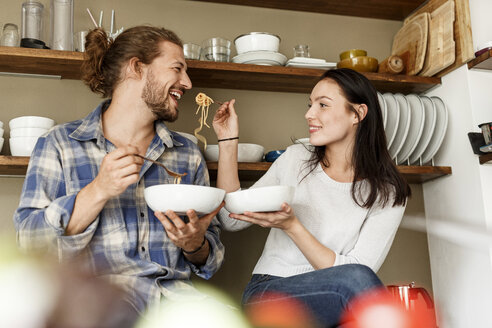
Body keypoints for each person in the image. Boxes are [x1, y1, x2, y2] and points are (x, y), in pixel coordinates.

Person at [13, 26, 226, 315]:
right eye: (177, 68)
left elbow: (209, 259)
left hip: (174, 308)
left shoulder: (186, 154)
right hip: (96, 307)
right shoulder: (60, 144)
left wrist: (194, 244)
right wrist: (98, 190)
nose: (187, 82)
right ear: (137, 67)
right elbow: (29, 244)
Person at [212, 68, 411, 327]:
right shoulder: (296, 158)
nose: (309, 114)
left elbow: (357, 272)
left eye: (323, 105)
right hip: (269, 293)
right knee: (358, 286)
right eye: (310, 104)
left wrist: (292, 226)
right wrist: (228, 142)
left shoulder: (389, 192)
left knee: (358, 284)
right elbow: (230, 219)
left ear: (358, 114)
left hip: (338, 297)